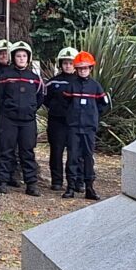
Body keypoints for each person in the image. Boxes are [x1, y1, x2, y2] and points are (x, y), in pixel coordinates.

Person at [0, 41, 44, 196]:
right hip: (9, 120)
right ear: (13, 57)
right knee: (6, 151)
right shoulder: (5, 77)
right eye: (18, 56)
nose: (21, 58)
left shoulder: (34, 78)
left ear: (28, 58)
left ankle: (31, 184)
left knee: (28, 152)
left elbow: (40, 96)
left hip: (28, 121)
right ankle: (2, 181)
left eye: (24, 56)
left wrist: (31, 109)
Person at [62, 51, 110, 200]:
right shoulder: (71, 85)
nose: (83, 71)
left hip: (89, 127)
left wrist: (93, 115)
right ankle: (70, 187)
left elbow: (104, 104)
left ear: (90, 68)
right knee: (72, 156)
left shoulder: (95, 86)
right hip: (74, 127)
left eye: (86, 68)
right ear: (76, 69)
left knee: (88, 157)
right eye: (80, 68)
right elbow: (65, 103)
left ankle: (89, 187)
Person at [44, 47, 78, 193]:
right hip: (57, 122)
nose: (68, 66)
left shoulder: (81, 81)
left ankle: (76, 181)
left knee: (75, 153)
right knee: (56, 152)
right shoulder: (53, 82)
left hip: (75, 123)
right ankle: (57, 181)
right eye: (65, 63)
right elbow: (45, 99)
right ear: (60, 64)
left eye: (71, 63)